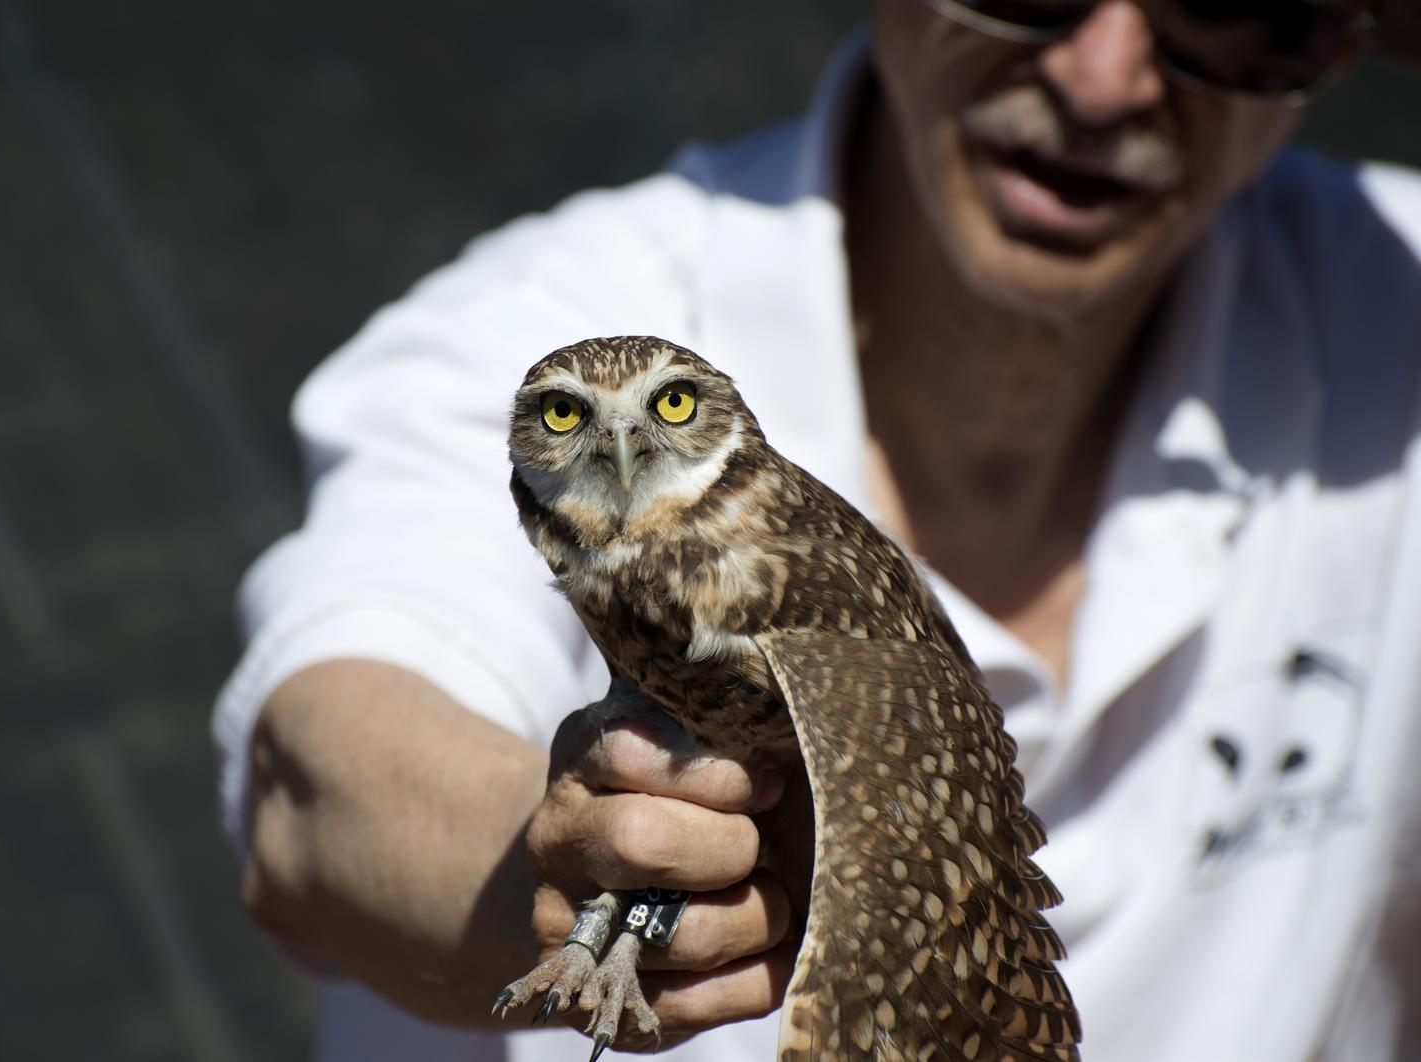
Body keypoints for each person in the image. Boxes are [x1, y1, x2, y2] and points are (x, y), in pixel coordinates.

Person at [213, 1, 1421, 1059]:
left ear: (1339, 36)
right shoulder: (536, 325)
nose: (1101, 76)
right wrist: (569, 859)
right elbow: (316, 786)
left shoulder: (1391, 304)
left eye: (1235, 11)